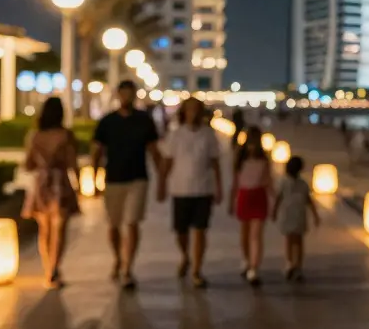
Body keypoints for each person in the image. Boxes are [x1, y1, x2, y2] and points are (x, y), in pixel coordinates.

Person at [91, 80, 163, 290]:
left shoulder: (144, 120)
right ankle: (118, 258)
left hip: (138, 178)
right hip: (113, 179)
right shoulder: (107, 122)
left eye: (130, 94)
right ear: (118, 95)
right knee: (113, 226)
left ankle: (127, 268)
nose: (126, 98)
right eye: (123, 93)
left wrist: (162, 180)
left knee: (132, 223)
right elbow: (97, 151)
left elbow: (154, 150)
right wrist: (93, 180)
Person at [158, 97, 222, 288]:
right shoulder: (176, 135)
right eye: (189, 109)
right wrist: (161, 183)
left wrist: (219, 187)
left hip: (203, 189)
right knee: (181, 231)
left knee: (201, 230)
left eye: (196, 109)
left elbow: (215, 163)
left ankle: (197, 269)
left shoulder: (208, 135)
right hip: (181, 189)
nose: (193, 113)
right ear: (183, 112)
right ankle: (185, 256)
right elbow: (167, 161)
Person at [20, 97, 81, 289]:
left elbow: (28, 164)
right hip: (60, 181)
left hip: (41, 183)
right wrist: (79, 184)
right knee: (59, 227)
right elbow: (73, 162)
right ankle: (55, 268)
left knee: (44, 229)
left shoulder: (35, 136)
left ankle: (48, 269)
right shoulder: (65, 135)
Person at [232, 131, 273, 286]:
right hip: (245, 195)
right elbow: (236, 182)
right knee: (245, 233)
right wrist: (231, 200)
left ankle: (254, 267)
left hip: (258, 196)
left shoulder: (264, 160)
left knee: (255, 235)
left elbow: (268, 181)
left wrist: (276, 200)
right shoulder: (240, 160)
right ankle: (247, 260)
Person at [272, 155, 320, 282]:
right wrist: (315, 215)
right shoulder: (303, 184)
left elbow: (278, 198)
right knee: (298, 241)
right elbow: (309, 201)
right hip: (299, 214)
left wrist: (274, 212)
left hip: (288, 214)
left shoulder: (283, 182)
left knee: (289, 240)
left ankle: (290, 263)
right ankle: (297, 265)